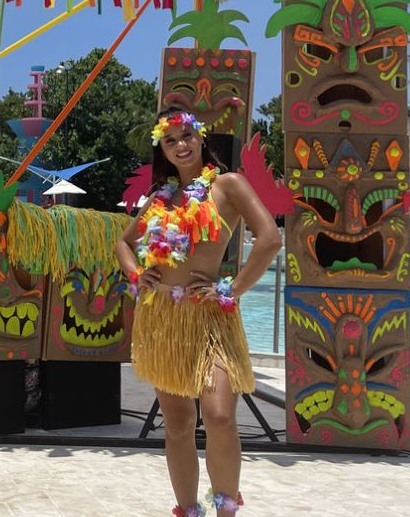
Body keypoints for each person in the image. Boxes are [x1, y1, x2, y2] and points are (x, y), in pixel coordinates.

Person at [113, 107, 280, 517]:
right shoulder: (159, 198)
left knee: (220, 415)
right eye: (171, 141)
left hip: (209, 317)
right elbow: (122, 243)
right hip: (163, 320)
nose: (181, 146)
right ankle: (187, 510)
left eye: (187, 136)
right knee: (178, 424)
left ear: (201, 138)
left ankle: (225, 510)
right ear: (163, 151)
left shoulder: (228, 186)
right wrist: (137, 275)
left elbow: (270, 239)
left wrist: (233, 288)